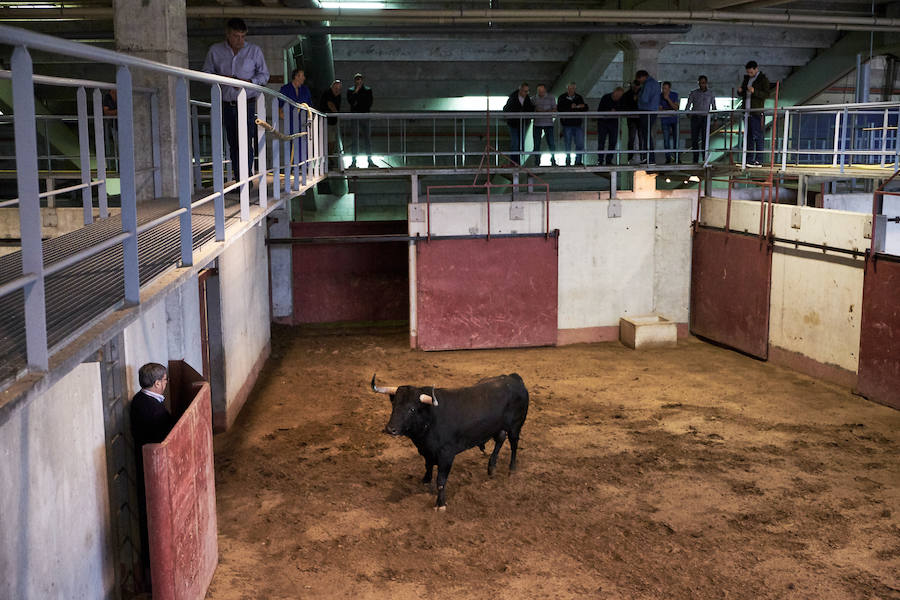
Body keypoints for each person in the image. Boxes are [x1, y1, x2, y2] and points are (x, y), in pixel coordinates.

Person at [202, 18, 270, 179]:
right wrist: (222, 78)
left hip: (247, 103)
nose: (240, 40)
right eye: (236, 36)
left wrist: (249, 82)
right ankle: (239, 177)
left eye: (242, 36)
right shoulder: (215, 51)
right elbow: (205, 74)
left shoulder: (254, 51)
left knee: (246, 141)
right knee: (233, 142)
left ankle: (245, 178)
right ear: (228, 34)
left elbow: (264, 75)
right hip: (226, 103)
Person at [130, 362, 175, 590]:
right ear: (157, 383)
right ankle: (153, 582)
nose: (166, 384)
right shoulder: (153, 410)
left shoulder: (139, 401)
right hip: (154, 475)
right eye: (165, 380)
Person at [737, 60, 771, 167]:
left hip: (756, 111)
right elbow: (742, 93)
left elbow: (766, 94)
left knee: (758, 136)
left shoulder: (763, 79)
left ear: (756, 69)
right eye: (748, 72)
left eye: (751, 72)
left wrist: (754, 91)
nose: (749, 74)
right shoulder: (746, 79)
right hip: (747, 111)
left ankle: (759, 160)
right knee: (749, 136)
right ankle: (749, 159)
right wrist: (740, 91)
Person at [278, 68, 312, 169]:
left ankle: (303, 166)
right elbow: (279, 102)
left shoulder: (305, 90)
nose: (304, 78)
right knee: (290, 142)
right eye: (302, 75)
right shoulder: (285, 89)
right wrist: (280, 113)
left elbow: (309, 104)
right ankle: (291, 167)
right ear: (296, 76)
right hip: (291, 121)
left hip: (303, 121)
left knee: (303, 142)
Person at [685, 75, 717, 164]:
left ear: (706, 83)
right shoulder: (694, 93)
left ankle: (704, 158)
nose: (702, 85)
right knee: (694, 139)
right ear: (698, 83)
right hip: (695, 117)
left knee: (705, 139)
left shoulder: (710, 94)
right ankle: (695, 159)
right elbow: (688, 104)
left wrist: (715, 119)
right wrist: (688, 113)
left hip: (705, 118)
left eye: (703, 83)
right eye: (700, 83)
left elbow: (714, 107)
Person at [632, 69, 661, 165]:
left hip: (646, 111)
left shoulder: (647, 85)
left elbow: (645, 99)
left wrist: (638, 97)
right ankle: (650, 157)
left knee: (645, 135)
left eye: (639, 79)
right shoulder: (656, 83)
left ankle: (648, 157)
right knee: (647, 134)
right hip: (653, 111)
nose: (639, 82)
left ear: (642, 77)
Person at [503, 82, 534, 165]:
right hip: (513, 123)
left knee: (520, 143)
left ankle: (518, 162)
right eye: (524, 91)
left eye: (527, 91)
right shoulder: (512, 98)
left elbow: (530, 109)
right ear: (520, 90)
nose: (526, 93)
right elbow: (506, 109)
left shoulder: (527, 99)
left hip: (522, 123)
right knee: (515, 143)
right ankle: (513, 162)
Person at [557, 82, 588, 166]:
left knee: (580, 143)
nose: (571, 90)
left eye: (573, 88)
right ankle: (568, 160)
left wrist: (578, 107)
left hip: (577, 124)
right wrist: (571, 107)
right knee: (567, 143)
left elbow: (585, 108)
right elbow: (559, 108)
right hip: (567, 124)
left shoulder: (579, 97)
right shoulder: (562, 97)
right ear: (567, 89)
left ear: (575, 89)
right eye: (570, 88)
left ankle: (578, 161)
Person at [347, 72, 374, 167]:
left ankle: (369, 160)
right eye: (357, 79)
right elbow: (351, 102)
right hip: (354, 116)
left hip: (365, 116)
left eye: (360, 79)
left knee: (367, 139)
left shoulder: (368, 90)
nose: (358, 81)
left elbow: (368, 103)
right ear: (355, 81)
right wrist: (356, 92)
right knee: (354, 139)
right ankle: (354, 160)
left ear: (362, 80)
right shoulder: (351, 90)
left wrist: (358, 101)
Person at [319, 79, 343, 168]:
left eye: (339, 89)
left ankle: (329, 158)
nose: (337, 90)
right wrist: (337, 113)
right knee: (326, 140)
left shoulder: (338, 95)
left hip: (333, 122)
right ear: (332, 87)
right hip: (326, 121)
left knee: (332, 141)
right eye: (336, 88)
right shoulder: (328, 93)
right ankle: (326, 159)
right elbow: (330, 104)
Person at [597, 87, 623, 166]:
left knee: (613, 142)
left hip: (614, 123)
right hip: (603, 122)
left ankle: (609, 160)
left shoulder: (621, 100)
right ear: (614, 92)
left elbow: (622, 109)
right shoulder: (605, 98)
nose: (617, 97)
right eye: (617, 95)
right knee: (601, 142)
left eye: (619, 96)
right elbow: (600, 110)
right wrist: (609, 111)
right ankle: (600, 160)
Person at [532, 84, 557, 166]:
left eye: (542, 91)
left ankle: (553, 160)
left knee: (551, 143)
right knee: (536, 143)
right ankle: (537, 161)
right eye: (539, 91)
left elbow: (554, 109)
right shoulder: (533, 98)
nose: (540, 93)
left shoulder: (551, 98)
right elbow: (531, 109)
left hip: (548, 123)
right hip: (537, 124)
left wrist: (544, 112)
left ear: (545, 90)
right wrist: (537, 110)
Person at [659, 81, 680, 164]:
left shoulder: (674, 95)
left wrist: (668, 99)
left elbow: (676, 108)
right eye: (663, 88)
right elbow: (659, 108)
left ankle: (676, 157)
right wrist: (669, 109)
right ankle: (668, 158)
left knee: (676, 139)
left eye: (666, 89)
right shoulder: (659, 96)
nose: (664, 90)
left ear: (669, 89)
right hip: (664, 119)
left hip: (674, 119)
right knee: (666, 140)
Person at [621, 80, 641, 162]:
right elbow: (624, 106)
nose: (636, 88)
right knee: (632, 138)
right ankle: (630, 156)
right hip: (633, 118)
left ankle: (641, 156)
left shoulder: (641, 94)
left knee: (640, 137)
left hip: (638, 118)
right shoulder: (628, 95)